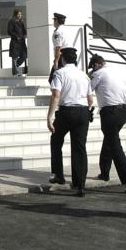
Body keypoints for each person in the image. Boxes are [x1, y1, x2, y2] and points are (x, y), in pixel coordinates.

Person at [47, 48, 93, 197]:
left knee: (56, 140)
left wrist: (50, 116)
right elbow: (90, 99)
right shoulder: (84, 75)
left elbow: (55, 95)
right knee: (79, 147)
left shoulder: (59, 73)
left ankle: (59, 175)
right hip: (83, 111)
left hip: (66, 111)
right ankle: (79, 184)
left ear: (63, 59)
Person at [88, 54, 126, 193]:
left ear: (96, 64)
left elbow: (87, 89)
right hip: (124, 110)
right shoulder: (121, 71)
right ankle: (104, 172)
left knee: (115, 146)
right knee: (110, 139)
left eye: (93, 67)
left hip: (110, 113)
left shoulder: (99, 73)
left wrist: (90, 74)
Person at [49, 12, 76, 83]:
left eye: (54, 20)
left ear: (56, 20)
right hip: (72, 55)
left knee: (53, 79)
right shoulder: (67, 30)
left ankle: (59, 93)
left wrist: (56, 61)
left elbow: (58, 48)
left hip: (63, 57)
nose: (53, 22)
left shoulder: (58, 32)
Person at [7, 9, 27, 76]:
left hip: (22, 42)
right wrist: (16, 36)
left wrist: (24, 34)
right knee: (14, 57)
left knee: (24, 55)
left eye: (20, 14)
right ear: (15, 15)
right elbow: (9, 31)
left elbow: (24, 31)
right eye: (18, 14)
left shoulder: (21, 22)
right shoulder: (11, 21)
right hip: (15, 42)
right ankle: (15, 72)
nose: (20, 15)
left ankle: (16, 65)